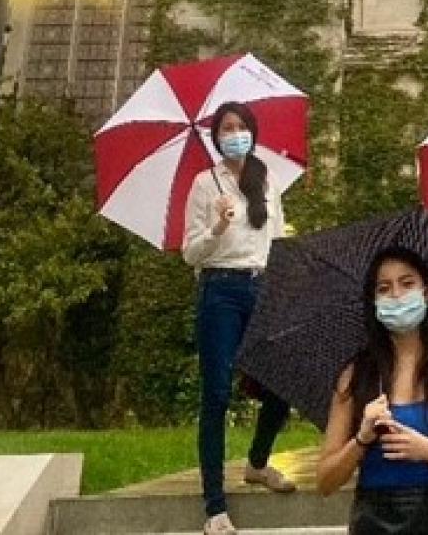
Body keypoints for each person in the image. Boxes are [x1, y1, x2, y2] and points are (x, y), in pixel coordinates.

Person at [317, 245, 428, 535]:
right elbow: (325, 481)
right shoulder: (357, 373)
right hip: (376, 520)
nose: (397, 295)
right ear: (373, 302)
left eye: (407, 283)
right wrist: (361, 440)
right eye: (384, 288)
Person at [183, 101, 295, 535]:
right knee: (216, 394)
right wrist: (216, 229)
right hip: (219, 290)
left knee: (280, 380)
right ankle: (215, 507)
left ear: (252, 131)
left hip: (263, 286)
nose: (235, 133)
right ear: (216, 137)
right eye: (227, 128)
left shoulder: (266, 179)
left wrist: (283, 284)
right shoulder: (203, 183)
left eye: (241, 126)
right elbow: (190, 252)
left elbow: (279, 237)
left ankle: (257, 464)